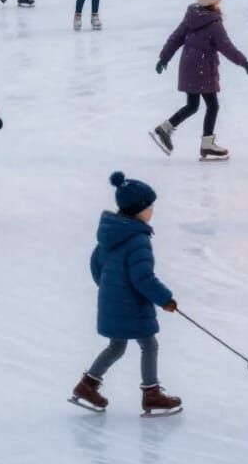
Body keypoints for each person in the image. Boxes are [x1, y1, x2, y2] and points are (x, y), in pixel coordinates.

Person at [70, 171, 181, 417]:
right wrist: (165, 299)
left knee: (117, 347)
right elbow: (143, 278)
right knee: (149, 344)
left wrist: (110, 288)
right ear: (137, 210)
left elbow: (95, 264)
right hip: (131, 305)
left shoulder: (111, 233)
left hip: (113, 302)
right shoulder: (137, 239)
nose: (152, 211)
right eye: (149, 206)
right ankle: (151, 394)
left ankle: (87, 385)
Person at [151, 0, 248, 162]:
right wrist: (243, 61)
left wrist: (164, 58)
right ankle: (206, 144)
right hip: (203, 68)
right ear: (213, 1)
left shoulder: (191, 16)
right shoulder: (213, 23)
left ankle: (165, 128)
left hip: (189, 66)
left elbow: (175, 37)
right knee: (212, 105)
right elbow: (226, 46)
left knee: (193, 105)